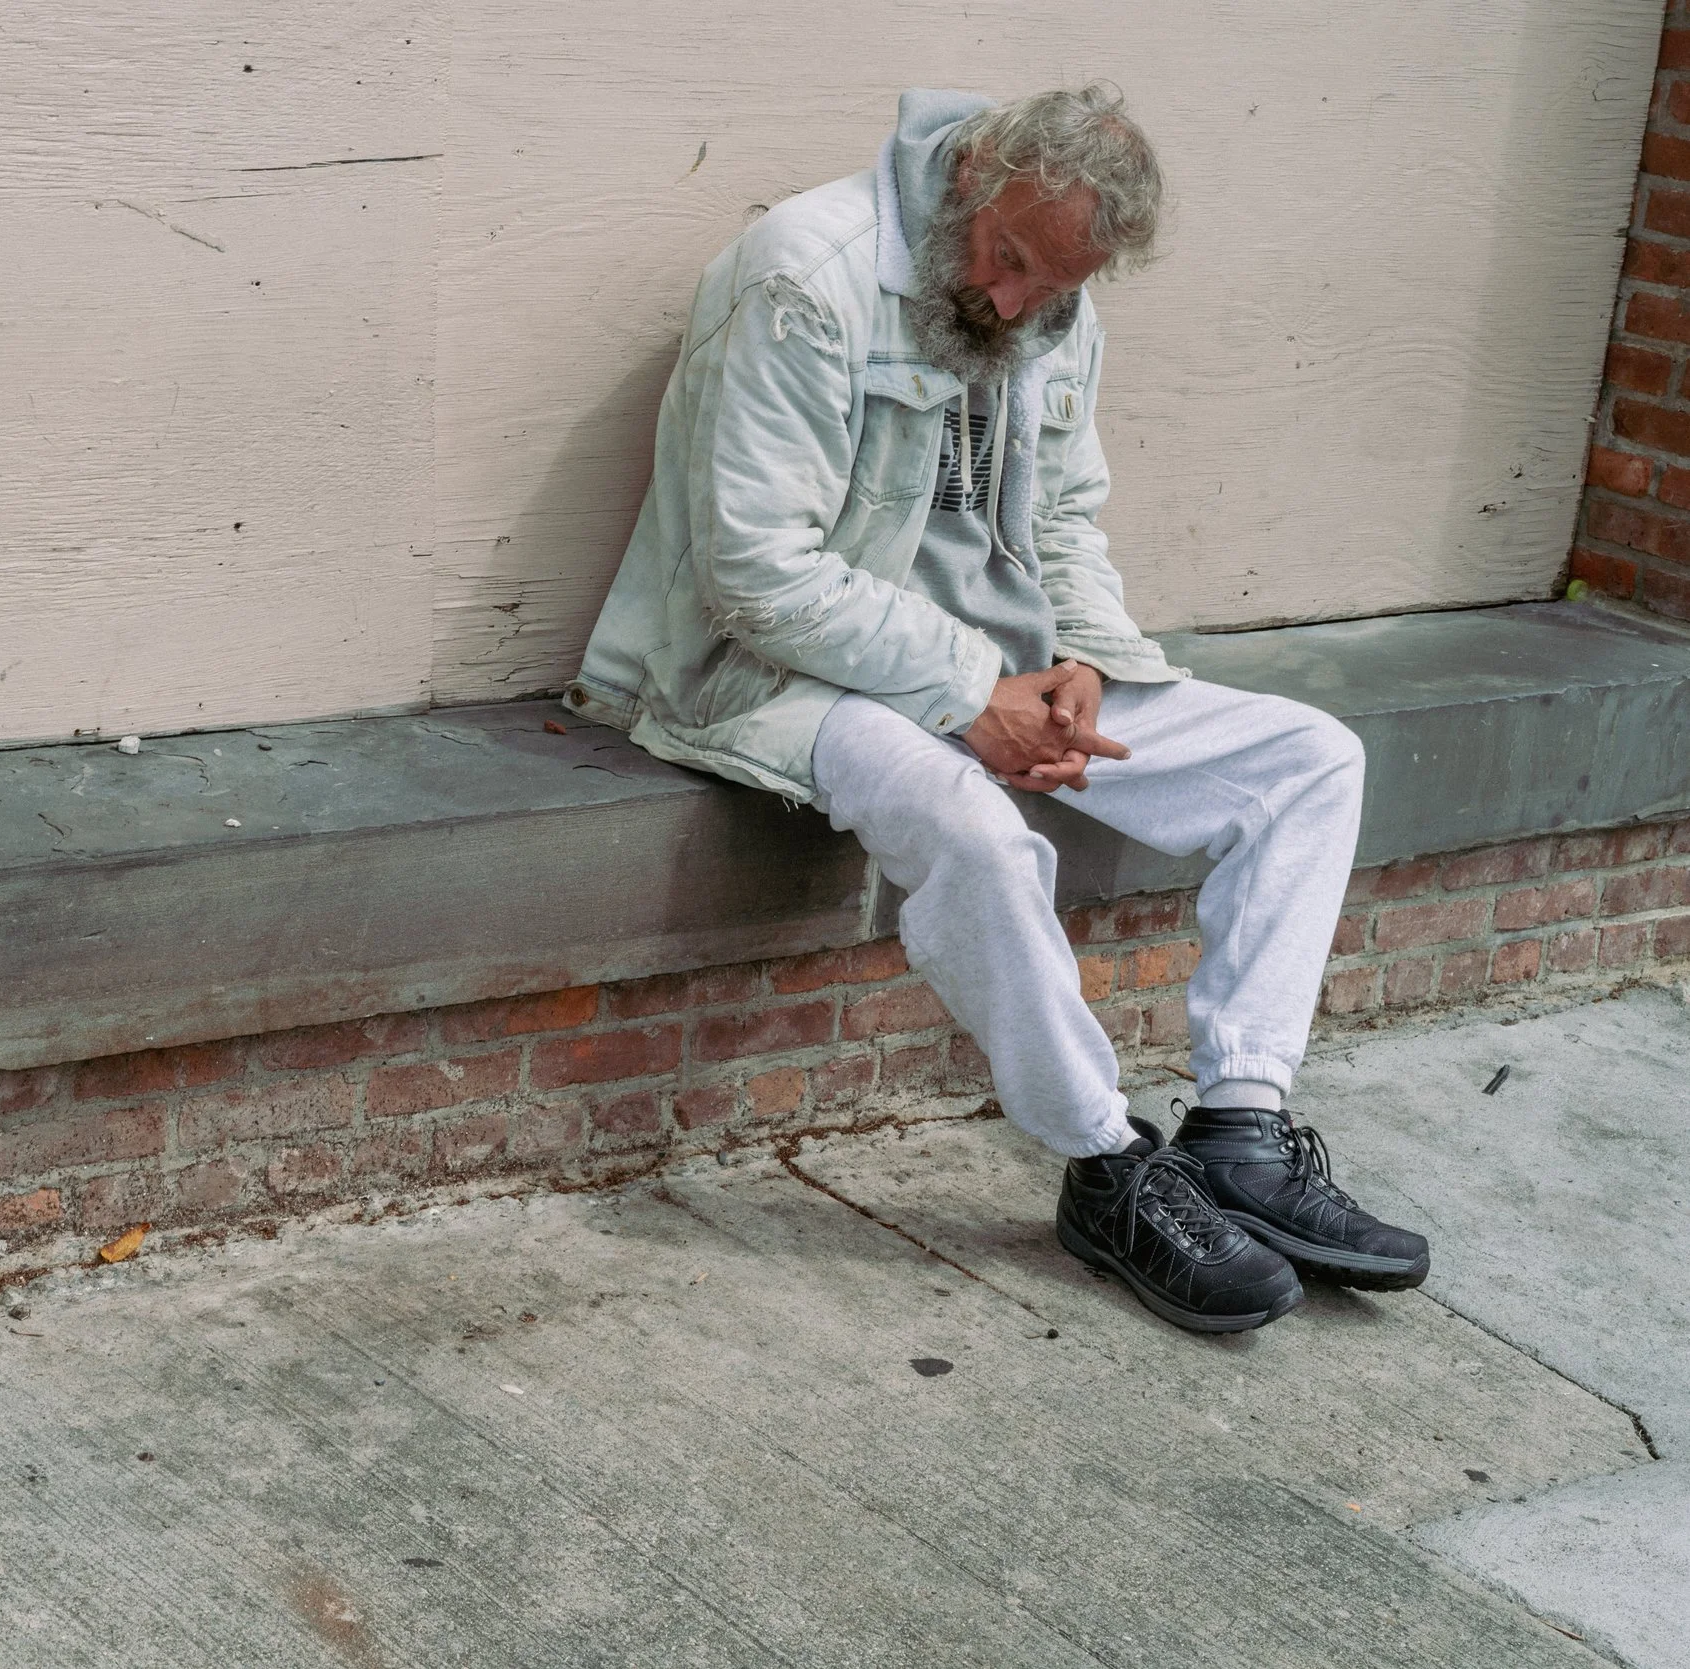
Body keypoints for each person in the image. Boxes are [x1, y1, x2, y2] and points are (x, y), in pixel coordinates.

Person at [564, 85, 1428, 1334]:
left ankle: (1240, 1127)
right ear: (972, 174)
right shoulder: (805, 274)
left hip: (1002, 673)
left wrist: (1079, 654)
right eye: (1007, 260)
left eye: (1055, 285)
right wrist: (971, 692)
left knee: (1309, 757)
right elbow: (754, 570)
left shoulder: (1055, 298)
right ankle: (1105, 1163)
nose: (1017, 302)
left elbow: (1067, 516)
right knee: (972, 830)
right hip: (783, 677)